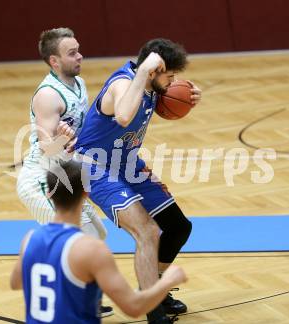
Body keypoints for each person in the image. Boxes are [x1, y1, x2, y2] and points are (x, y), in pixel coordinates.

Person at [75, 38, 201, 323]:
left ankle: (155, 288)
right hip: (94, 165)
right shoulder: (125, 83)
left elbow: (169, 97)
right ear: (154, 70)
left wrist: (191, 95)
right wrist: (144, 72)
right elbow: (122, 115)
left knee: (178, 227)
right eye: (169, 76)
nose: (172, 82)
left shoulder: (153, 83)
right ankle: (153, 312)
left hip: (127, 163)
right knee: (147, 232)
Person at [10, 160, 187, 323]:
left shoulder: (29, 240)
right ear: (86, 193)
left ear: (48, 194)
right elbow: (133, 307)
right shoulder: (91, 250)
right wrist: (166, 282)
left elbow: (16, 283)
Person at [15, 27, 111, 316]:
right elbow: (49, 149)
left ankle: (81, 300)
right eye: (72, 53)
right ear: (54, 61)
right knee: (76, 241)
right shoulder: (47, 96)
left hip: (64, 176)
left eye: (78, 49)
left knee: (97, 234)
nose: (80, 55)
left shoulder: (78, 83)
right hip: (40, 178)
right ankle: (64, 306)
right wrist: (63, 139)